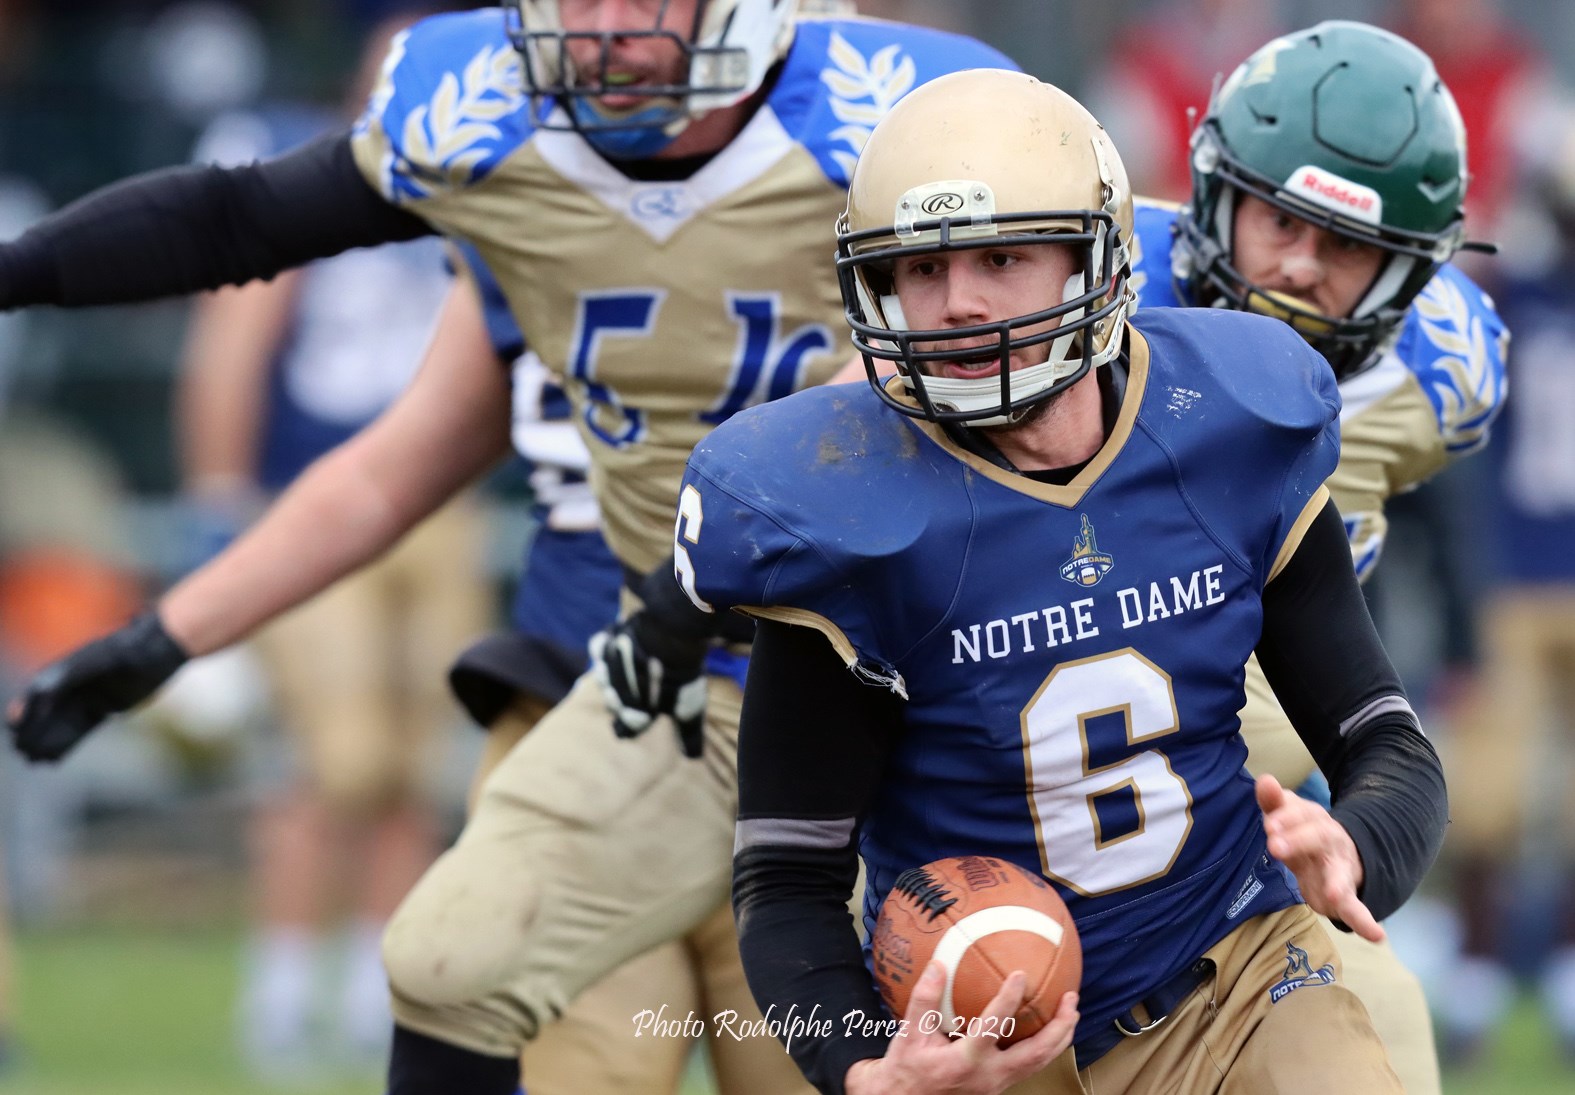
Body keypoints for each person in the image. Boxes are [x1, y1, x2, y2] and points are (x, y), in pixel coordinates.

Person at [1, 4, 1015, 1092]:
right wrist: (165, 638)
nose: (602, 27)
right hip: (624, 680)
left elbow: (1008, 350)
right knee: (460, 968)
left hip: (875, 698)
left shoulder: (901, 116)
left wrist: (738, 552)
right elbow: (270, 263)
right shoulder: (498, 149)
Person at [678, 68, 1450, 1095]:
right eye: (919, 269)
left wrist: (1353, 844)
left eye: (1003, 257)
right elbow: (786, 882)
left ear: (1097, 258)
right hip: (981, 1037)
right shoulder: (847, 513)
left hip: (1238, 981)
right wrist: (864, 1066)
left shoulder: (1230, 424)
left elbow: (1384, 741)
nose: (957, 303)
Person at [1126, 22, 1508, 1090]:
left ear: (1410, 272)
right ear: (1214, 196)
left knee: (1384, 1038)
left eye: (1347, 248)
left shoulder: (1437, 379)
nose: (1300, 268)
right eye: (1278, 221)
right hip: (1022, 789)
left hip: (1246, 818)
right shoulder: (1087, 294)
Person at [173, 13, 488, 1074]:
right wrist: (220, 503)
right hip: (314, 496)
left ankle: (372, 989)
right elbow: (234, 342)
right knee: (333, 760)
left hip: (435, 507)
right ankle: (281, 986)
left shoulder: (481, 181)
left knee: (415, 761)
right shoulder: (307, 167)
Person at [1437, 113, 1575, 1064]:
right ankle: (1483, 976)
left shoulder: (1513, 295)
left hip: (1527, 569)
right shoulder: (1506, 295)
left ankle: (1543, 974)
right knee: (1486, 797)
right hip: (1515, 576)